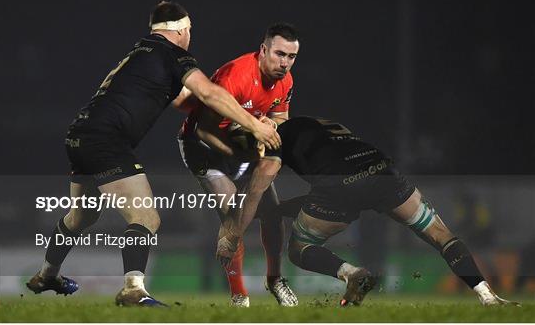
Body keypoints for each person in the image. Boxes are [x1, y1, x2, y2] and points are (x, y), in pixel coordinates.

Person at [26, 1, 280, 307]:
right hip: (108, 141)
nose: (190, 36)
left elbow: (191, 101)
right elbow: (209, 93)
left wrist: (236, 116)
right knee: (145, 217)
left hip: (80, 134)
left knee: (82, 216)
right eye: (189, 30)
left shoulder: (142, 53)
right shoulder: (172, 54)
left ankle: (46, 275)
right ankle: (133, 290)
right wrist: (255, 125)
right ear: (182, 30)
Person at [213, 116, 519, 307]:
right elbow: (331, 172)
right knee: (441, 235)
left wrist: (234, 235)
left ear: (266, 124)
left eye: (251, 136)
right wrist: (281, 210)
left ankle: (352, 273)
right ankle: (487, 296)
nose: (255, 145)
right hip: (382, 170)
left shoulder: (273, 141)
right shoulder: (316, 123)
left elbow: (257, 190)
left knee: (299, 248)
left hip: (340, 187)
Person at [175, 23, 299, 307]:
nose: (285, 63)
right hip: (202, 148)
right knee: (233, 210)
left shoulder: (286, 80)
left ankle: (275, 280)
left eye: (291, 57)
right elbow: (203, 131)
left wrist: (271, 124)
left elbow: (281, 120)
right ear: (263, 49)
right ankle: (239, 295)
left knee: (272, 215)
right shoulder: (237, 75)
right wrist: (243, 150)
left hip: (242, 149)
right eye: (280, 54)